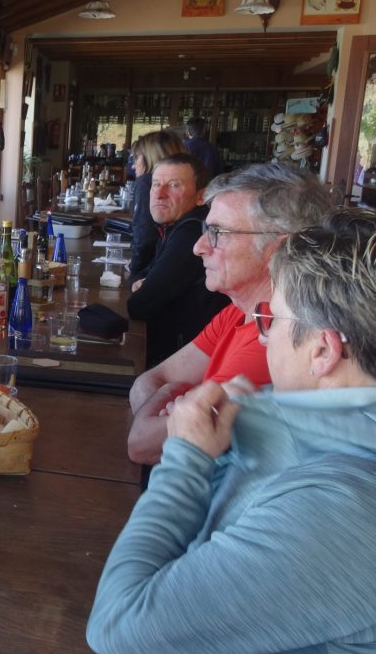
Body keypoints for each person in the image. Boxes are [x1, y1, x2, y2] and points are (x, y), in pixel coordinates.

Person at [88, 208, 376, 652]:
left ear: (323, 350)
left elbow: (118, 630)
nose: (262, 336)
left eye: (271, 319)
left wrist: (186, 458)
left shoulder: (360, 511)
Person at [127, 163, 333, 465]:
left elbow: (142, 444)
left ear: (280, 248)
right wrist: (172, 399)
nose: (199, 248)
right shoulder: (238, 312)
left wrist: (171, 400)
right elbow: (153, 379)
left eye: (218, 233)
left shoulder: (275, 343)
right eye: (206, 230)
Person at [127, 153, 229, 368]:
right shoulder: (175, 225)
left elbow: (140, 305)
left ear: (201, 196)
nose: (160, 194)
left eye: (174, 185)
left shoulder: (191, 233)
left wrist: (144, 287)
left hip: (185, 362)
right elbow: (143, 274)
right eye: (156, 184)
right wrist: (144, 282)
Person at [128, 131, 187, 279]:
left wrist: (134, 269)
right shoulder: (186, 184)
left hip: (152, 272)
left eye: (136, 158)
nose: (133, 166)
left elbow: (144, 235)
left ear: (150, 157)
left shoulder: (146, 183)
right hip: (176, 266)